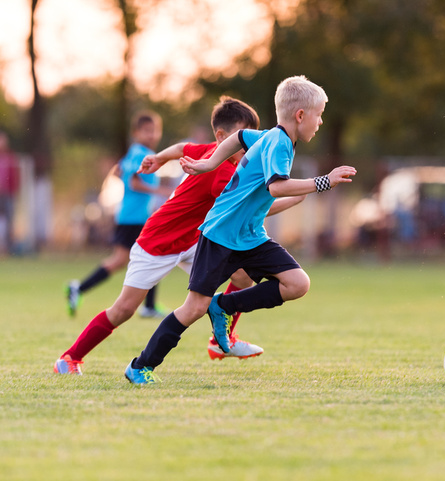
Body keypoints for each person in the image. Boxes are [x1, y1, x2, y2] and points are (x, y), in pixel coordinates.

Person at [124, 75, 356, 384]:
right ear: (300, 116)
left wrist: (209, 163)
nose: (321, 121)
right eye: (319, 114)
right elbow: (276, 187)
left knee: (297, 283)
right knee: (194, 308)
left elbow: (239, 137)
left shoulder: (269, 136)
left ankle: (223, 306)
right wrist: (322, 182)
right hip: (220, 235)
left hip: (249, 237)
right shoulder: (280, 144)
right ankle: (140, 366)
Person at [53, 97, 305, 375]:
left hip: (195, 240)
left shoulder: (215, 154)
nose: (252, 146)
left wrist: (160, 157)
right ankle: (69, 357)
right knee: (123, 310)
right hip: (157, 243)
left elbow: (181, 148)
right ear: (222, 137)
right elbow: (242, 211)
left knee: (243, 277)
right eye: (245, 139)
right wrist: (292, 200)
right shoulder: (222, 170)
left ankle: (220, 340)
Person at [65, 111, 170, 318]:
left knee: (138, 257)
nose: (152, 135)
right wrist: (162, 192)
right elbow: (133, 182)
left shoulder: (133, 153)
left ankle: (79, 288)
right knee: (147, 255)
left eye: (155, 130)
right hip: (134, 217)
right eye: (147, 131)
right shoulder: (141, 154)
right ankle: (147, 306)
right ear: (136, 132)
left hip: (132, 216)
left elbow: (118, 172)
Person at [0, 131, 20, 254]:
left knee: (9, 220)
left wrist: (14, 190)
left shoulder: (10, 157)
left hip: (8, 193)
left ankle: (8, 247)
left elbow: (15, 176)